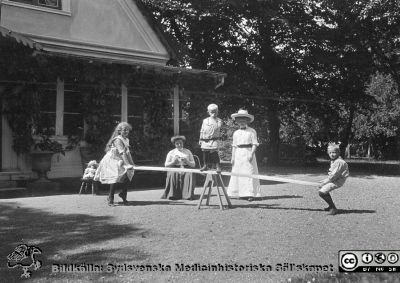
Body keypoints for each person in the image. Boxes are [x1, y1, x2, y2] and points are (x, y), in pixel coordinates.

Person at [94, 122, 135, 206]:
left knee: (129, 173)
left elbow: (127, 153)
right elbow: (122, 153)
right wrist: (127, 165)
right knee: (115, 177)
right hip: (111, 160)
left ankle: (123, 194)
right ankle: (111, 198)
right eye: (124, 130)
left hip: (119, 160)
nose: (126, 132)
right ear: (119, 131)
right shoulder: (118, 139)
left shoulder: (126, 140)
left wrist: (132, 164)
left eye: (127, 130)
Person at [227, 109, 261, 201]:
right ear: (237, 122)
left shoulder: (252, 131)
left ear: (247, 121)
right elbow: (234, 146)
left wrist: (251, 154)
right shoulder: (236, 133)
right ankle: (237, 193)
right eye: (239, 121)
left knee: (249, 172)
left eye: (243, 121)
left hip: (248, 152)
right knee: (238, 173)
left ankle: (250, 194)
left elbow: (255, 144)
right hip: (238, 154)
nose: (241, 122)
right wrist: (232, 157)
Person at [318, 143, 349, 215]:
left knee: (322, 192)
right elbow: (332, 174)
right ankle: (330, 206)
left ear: (338, 152)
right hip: (335, 179)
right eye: (330, 153)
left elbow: (334, 175)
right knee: (324, 190)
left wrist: (325, 182)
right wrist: (324, 181)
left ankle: (333, 208)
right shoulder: (334, 160)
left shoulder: (339, 162)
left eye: (334, 152)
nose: (332, 154)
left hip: (338, 181)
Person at [162, 135, 196, 200]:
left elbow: (193, 165)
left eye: (181, 143)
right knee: (173, 173)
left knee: (190, 174)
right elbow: (166, 165)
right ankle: (173, 195)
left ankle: (188, 195)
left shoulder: (188, 151)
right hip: (174, 167)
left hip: (186, 168)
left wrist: (187, 161)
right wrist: (173, 162)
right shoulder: (171, 152)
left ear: (183, 143)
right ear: (174, 144)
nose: (179, 145)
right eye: (177, 143)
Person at [199, 103, 222, 173]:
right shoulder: (205, 121)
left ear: (217, 112)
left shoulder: (219, 120)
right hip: (205, 140)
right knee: (205, 152)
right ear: (208, 112)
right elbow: (202, 130)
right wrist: (200, 139)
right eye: (211, 112)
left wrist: (213, 120)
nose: (213, 113)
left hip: (214, 139)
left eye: (215, 112)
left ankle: (218, 166)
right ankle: (205, 165)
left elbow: (217, 127)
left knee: (214, 152)